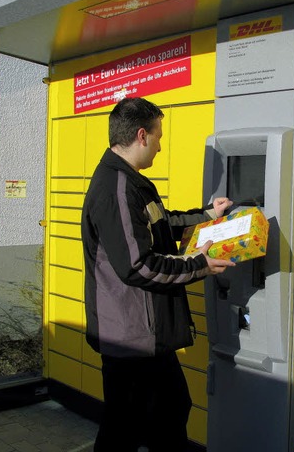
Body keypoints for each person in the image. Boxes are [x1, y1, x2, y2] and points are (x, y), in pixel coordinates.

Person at [81, 97, 235, 452]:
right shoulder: (117, 188)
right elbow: (138, 265)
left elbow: (161, 224)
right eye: (159, 136)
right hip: (131, 337)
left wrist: (207, 215)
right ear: (141, 136)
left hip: (141, 333)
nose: (161, 145)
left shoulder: (130, 182)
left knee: (163, 412)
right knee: (131, 425)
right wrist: (200, 265)